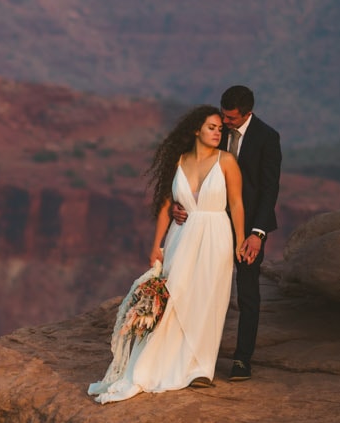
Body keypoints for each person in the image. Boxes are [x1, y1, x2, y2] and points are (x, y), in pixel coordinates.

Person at [90, 106, 249, 401]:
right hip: (181, 237)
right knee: (176, 297)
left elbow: (237, 204)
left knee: (209, 299)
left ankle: (201, 369)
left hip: (216, 234)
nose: (218, 132)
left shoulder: (226, 161)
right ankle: (163, 361)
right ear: (196, 130)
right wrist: (156, 246)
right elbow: (166, 206)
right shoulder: (178, 161)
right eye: (212, 127)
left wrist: (241, 240)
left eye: (220, 129)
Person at [174, 85, 282, 381]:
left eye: (231, 118)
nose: (226, 122)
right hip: (210, 224)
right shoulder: (215, 131)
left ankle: (242, 360)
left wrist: (257, 234)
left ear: (247, 113)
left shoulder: (267, 138)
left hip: (247, 230)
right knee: (202, 287)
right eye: (223, 116)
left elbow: (269, 189)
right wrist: (180, 204)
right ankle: (195, 356)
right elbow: (195, 170)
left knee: (247, 292)